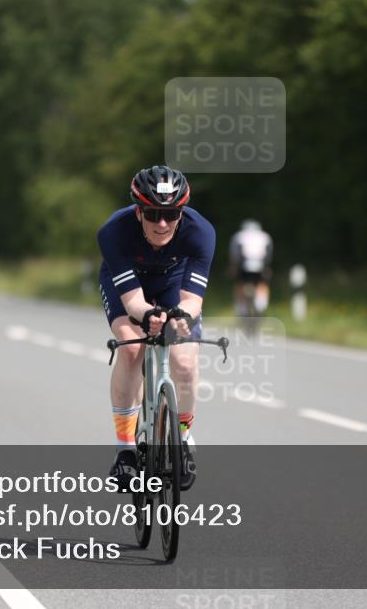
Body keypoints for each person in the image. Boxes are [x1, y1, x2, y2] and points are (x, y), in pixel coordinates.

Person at [97, 165, 215, 491]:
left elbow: (193, 300)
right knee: (133, 348)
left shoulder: (200, 232)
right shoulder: (113, 232)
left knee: (185, 362)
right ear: (138, 211)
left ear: (182, 212)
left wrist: (180, 318)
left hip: (174, 287)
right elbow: (133, 302)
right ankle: (125, 450)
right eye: (152, 214)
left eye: (171, 214)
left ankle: (185, 437)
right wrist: (147, 315)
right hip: (129, 286)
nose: (162, 223)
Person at [228, 219, 273, 316]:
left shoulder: (238, 236)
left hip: (244, 266)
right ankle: (260, 306)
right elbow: (268, 255)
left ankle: (242, 309)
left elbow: (235, 256)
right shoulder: (265, 236)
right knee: (262, 285)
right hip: (260, 266)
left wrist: (233, 269)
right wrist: (267, 268)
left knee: (239, 284)